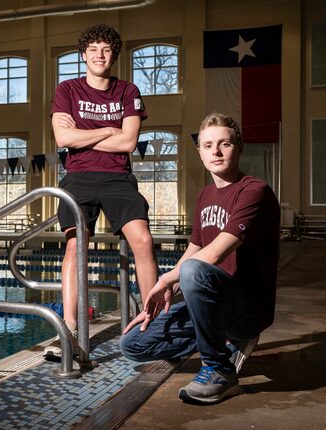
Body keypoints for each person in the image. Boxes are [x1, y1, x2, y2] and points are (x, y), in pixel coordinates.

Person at [120, 112, 280, 404]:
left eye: (224, 144)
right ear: (200, 152)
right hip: (213, 305)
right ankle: (221, 340)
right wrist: (167, 286)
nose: (215, 152)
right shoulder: (205, 195)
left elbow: (216, 252)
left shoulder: (254, 191)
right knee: (133, 345)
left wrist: (168, 278)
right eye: (208, 146)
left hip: (247, 308)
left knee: (193, 270)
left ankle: (220, 368)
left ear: (239, 147)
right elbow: (194, 249)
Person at [44, 24, 158, 358]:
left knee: (143, 241)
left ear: (114, 56)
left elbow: (129, 141)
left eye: (106, 50)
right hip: (78, 178)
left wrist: (87, 132)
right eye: (93, 49)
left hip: (117, 178)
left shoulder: (127, 90)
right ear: (83, 55)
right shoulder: (67, 89)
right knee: (76, 248)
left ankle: (153, 322)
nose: (99, 55)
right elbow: (63, 140)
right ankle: (70, 330)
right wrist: (110, 128)